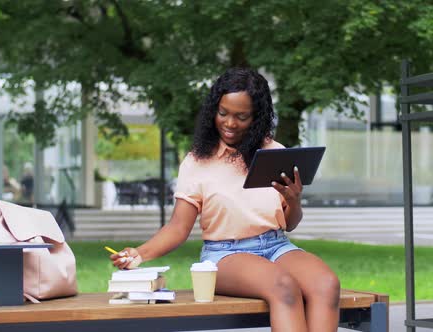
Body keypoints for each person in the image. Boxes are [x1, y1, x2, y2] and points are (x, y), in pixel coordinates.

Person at [110, 68, 340, 331]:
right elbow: (178, 227)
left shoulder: (276, 153)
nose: (230, 123)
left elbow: (289, 223)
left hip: (277, 246)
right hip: (226, 255)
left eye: (241, 116)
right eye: (223, 113)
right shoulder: (197, 162)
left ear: (257, 117)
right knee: (283, 286)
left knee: (326, 284)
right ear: (213, 111)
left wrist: (295, 201)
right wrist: (139, 253)